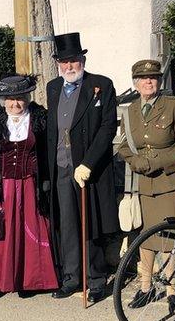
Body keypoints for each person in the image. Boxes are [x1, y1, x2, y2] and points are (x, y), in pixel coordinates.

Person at [0, 75, 60, 299]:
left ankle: (28, 280)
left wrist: (43, 180)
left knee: (30, 230)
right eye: (10, 99)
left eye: (20, 99)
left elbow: (48, 153)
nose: (15, 104)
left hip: (29, 185)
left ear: (28, 98)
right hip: (0, 186)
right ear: (3, 100)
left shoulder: (41, 120)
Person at [45, 32, 120, 303]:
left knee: (91, 223)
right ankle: (72, 277)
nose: (69, 67)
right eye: (64, 62)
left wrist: (88, 162)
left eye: (74, 60)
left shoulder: (101, 85)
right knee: (67, 223)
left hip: (88, 167)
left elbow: (107, 127)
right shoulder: (53, 88)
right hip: (61, 165)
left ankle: (96, 279)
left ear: (82, 60)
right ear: (58, 64)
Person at [117, 60, 175, 311]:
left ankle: (172, 290)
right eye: (143, 79)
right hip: (142, 183)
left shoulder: (174, 105)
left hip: (169, 182)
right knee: (145, 238)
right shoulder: (130, 112)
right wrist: (136, 162)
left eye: (153, 78)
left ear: (159, 82)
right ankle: (145, 287)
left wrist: (156, 161)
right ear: (135, 83)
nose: (148, 82)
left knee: (169, 239)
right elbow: (123, 146)